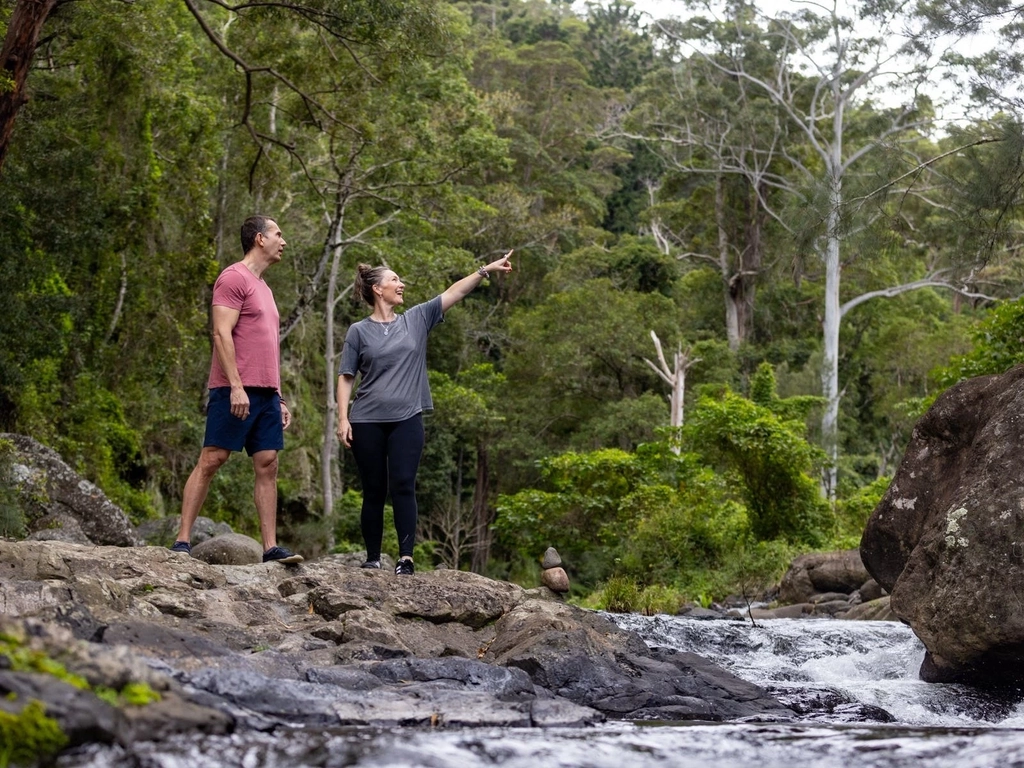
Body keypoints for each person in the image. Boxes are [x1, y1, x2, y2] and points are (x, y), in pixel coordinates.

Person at [337, 251, 513, 575]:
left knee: (403, 484)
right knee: (374, 489)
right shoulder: (358, 332)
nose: (401, 284)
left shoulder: (417, 318)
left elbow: (454, 292)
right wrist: (343, 418)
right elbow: (346, 375)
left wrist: (484, 270)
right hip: (366, 420)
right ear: (377, 288)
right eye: (394, 280)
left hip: (407, 418)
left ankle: (406, 558)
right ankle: (373, 558)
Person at [170, 216, 303, 564]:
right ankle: (182, 541)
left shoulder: (266, 289)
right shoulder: (233, 277)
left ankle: (271, 548)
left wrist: (280, 396)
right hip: (235, 388)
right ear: (259, 239)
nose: (283, 241)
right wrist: (236, 386)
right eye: (278, 234)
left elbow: (269, 346)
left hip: (266, 393)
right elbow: (220, 333)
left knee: (268, 462)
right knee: (213, 459)